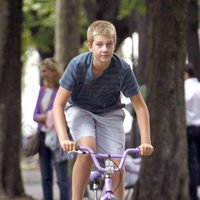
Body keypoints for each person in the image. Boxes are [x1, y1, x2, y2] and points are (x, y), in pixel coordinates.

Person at [53, 20, 154, 200]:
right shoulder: (78, 65)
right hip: (80, 109)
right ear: (90, 46)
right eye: (99, 44)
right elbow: (58, 104)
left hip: (110, 113)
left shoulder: (122, 69)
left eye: (109, 44)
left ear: (114, 45)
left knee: (117, 164)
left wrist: (145, 142)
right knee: (87, 149)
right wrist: (64, 138)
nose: (105, 49)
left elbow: (140, 106)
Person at [33, 58, 70, 200]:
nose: (43, 74)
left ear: (54, 72)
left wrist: (52, 116)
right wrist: (45, 117)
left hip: (59, 136)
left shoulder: (61, 90)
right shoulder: (42, 91)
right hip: (43, 136)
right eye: (42, 71)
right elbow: (34, 115)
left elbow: (64, 110)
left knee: (62, 177)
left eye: (45, 71)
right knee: (46, 176)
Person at [184, 63, 200, 200]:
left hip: (189, 129)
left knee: (192, 163)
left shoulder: (184, 88)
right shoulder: (199, 87)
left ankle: (193, 195)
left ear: (185, 74)